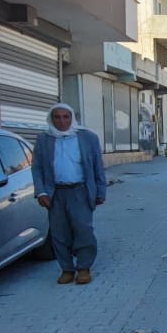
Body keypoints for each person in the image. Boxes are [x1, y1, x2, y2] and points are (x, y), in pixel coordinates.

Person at [32, 102, 108, 285]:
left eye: (66, 117)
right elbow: (37, 168)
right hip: (56, 193)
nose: (62, 121)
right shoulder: (44, 139)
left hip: (80, 191)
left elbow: (98, 165)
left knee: (83, 229)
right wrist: (41, 192)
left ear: (72, 118)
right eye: (57, 117)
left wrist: (100, 190)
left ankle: (83, 268)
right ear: (51, 119)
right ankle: (66, 269)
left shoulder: (87, 137)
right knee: (59, 233)